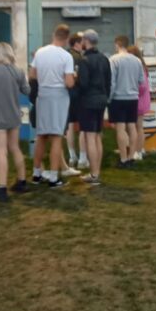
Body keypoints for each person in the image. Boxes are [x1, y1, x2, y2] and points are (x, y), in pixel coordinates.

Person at [0, 42, 30, 200]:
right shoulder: (18, 70)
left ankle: (2, 189)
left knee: (2, 152)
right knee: (15, 148)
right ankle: (22, 182)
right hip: (14, 115)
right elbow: (27, 90)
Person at [30, 24, 76, 188]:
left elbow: (32, 75)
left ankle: (36, 174)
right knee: (56, 136)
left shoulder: (40, 52)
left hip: (42, 95)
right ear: (67, 38)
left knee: (41, 135)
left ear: (53, 35)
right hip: (58, 97)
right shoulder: (66, 56)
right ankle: (53, 177)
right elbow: (69, 83)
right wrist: (74, 77)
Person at [76, 30, 111, 186]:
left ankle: (94, 174)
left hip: (88, 101)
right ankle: (97, 172)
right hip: (102, 100)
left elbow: (83, 84)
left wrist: (75, 80)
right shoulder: (104, 59)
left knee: (90, 136)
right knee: (97, 135)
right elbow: (109, 81)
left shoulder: (84, 61)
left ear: (86, 41)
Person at [109, 35, 144, 169]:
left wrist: (109, 98)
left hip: (118, 97)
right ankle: (131, 157)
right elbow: (141, 81)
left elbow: (112, 81)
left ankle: (123, 158)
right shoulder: (137, 61)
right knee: (132, 126)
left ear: (117, 44)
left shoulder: (113, 60)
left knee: (120, 128)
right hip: (133, 97)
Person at [66, 33, 86, 168]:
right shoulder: (80, 58)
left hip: (67, 95)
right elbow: (81, 78)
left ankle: (72, 156)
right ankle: (83, 158)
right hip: (80, 94)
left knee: (70, 126)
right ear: (77, 43)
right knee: (84, 127)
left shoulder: (65, 56)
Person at [128, 45, 150, 161]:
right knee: (138, 127)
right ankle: (139, 149)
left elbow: (142, 87)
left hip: (138, 100)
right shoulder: (143, 66)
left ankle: (138, 150)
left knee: (137, 127)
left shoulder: (138, 67)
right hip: (142, 100)